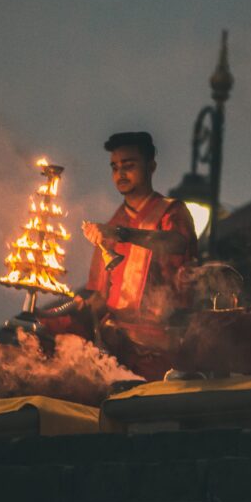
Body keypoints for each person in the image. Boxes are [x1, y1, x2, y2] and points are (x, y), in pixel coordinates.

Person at [50, 132, 198, 381]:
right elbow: (100, 297)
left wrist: (122, 234)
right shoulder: (110, 226)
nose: (120, 174)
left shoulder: (171, 212)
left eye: (128, 166)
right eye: (115, 167)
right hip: (117, 351)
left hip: (164, 351)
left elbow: (176, 243)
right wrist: (72, 309)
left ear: (151, 167)